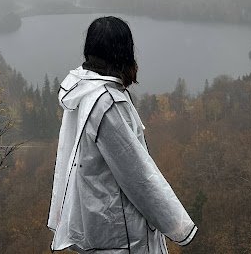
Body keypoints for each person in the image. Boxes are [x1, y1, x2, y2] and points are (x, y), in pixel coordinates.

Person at [48, 16, 197, 253]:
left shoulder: (84, 91)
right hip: (122, 232)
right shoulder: (107, 103)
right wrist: (178, 225)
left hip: (97, 217)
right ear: (123, 52)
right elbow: (137, 175)